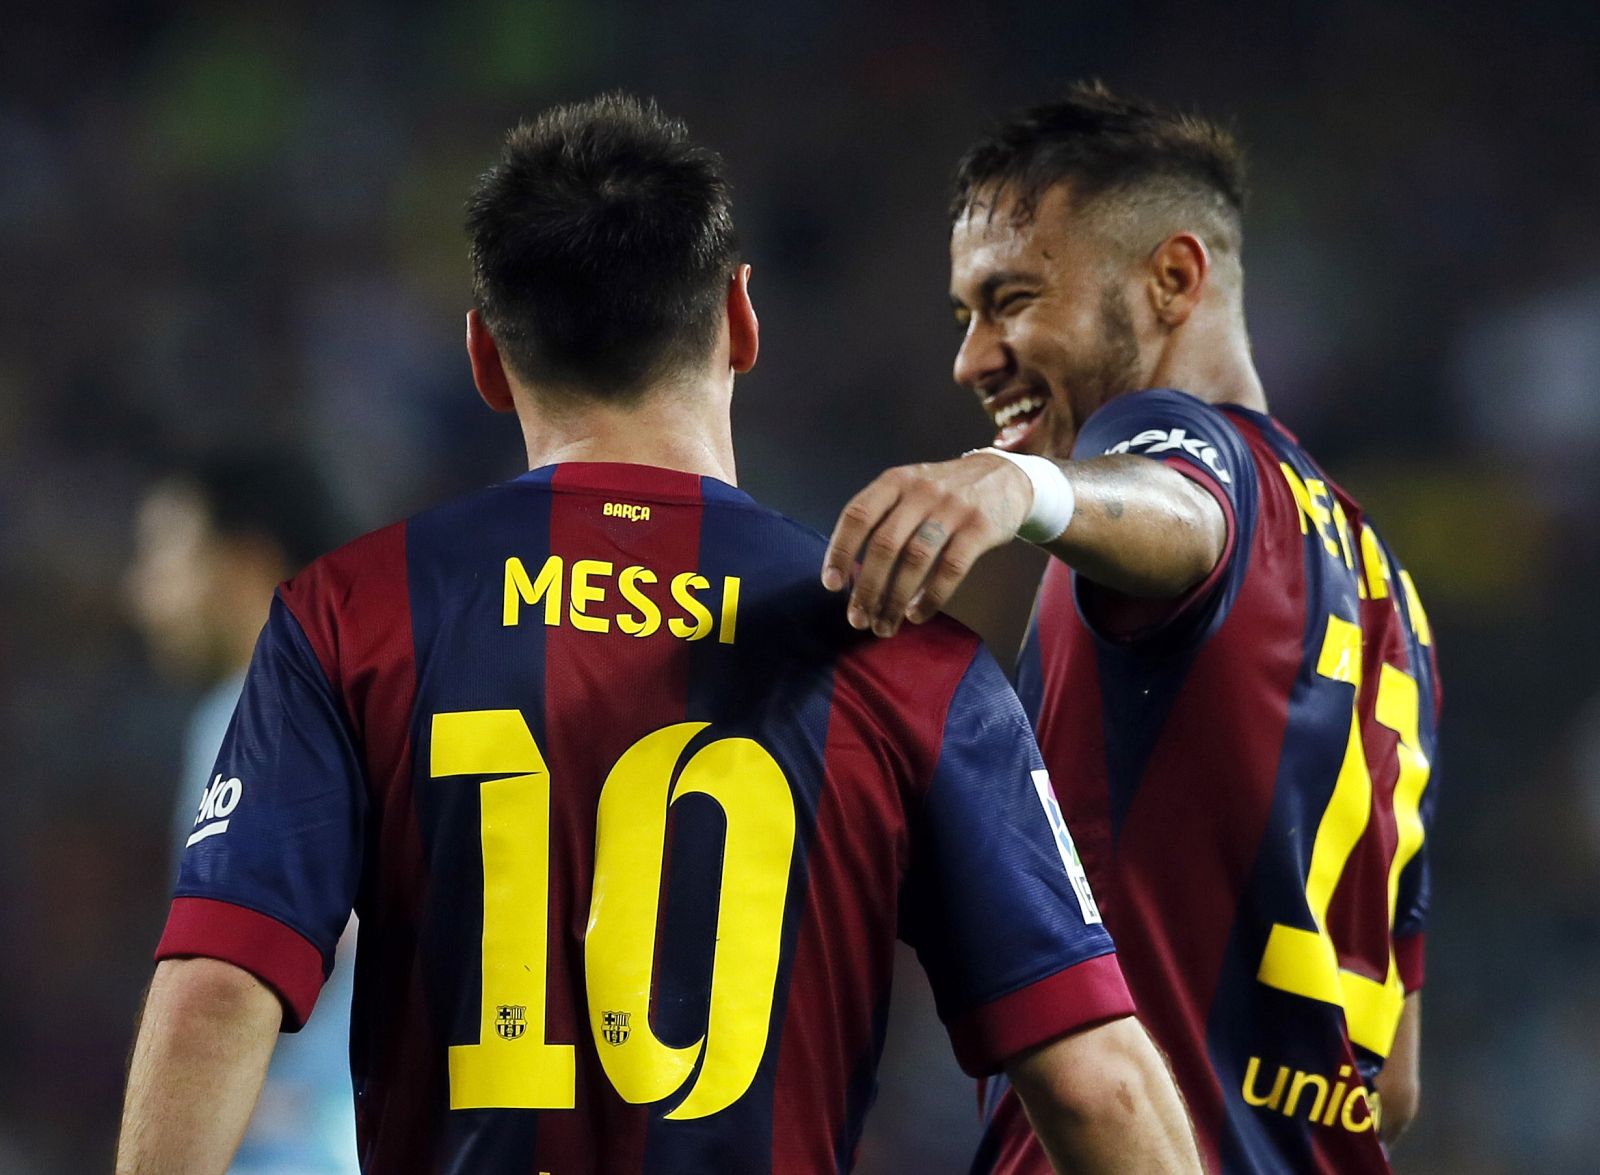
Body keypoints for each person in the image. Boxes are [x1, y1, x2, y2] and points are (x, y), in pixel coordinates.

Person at [116, 94, 1199, 1174]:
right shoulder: (908, 655)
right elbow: (1096, 1081)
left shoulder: (351, 614)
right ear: (740, 319)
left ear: (485, 355)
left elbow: (217, 986)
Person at [822, 82, 1441, 1174]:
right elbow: (1392, 1082)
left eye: (1011, 299)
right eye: (965, 315)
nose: (972, 357)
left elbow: (1184, 508)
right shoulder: (1386, 587)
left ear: (1173, 280)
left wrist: (1024, 488)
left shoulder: (1175, 446)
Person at [124, 454, 359, 1175]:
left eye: (165, 556)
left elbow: (225, 974)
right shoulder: (374, 698)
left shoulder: (252, 717)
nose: (141, 593)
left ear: (244, 561)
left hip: (304, 1146)